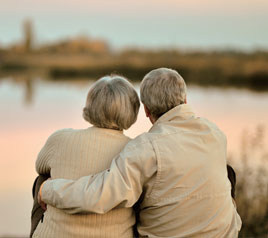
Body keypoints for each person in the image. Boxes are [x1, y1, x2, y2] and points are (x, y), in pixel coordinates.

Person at [39, 68, 242, 238]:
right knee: (227, 172)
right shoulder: (215, 133)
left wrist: (47, 190)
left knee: (132, 193)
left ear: (145, 110)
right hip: (226, 234)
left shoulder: (146, 147)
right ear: (186, 99)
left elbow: (100, 195)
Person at [32, 75, 140, 238]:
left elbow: (40, 166)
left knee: (41, 179)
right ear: (132, 110)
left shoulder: (60, 138)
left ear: (90, 106)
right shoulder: (136, 150)